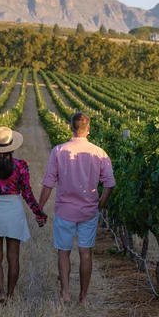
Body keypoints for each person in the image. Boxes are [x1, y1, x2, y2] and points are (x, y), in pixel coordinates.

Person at [38, 112, 115, 304]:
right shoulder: (99, 152)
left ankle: (65, 292)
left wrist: (39, 207)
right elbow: (110, 184)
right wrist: (100, 203)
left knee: (63, 252)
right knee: (85, 252)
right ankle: (83, 296)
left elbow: (48, 183)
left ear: (71, 127)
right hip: (89, 211)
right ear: (88, 129)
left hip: (65, 211)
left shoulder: (59, 151)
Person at [0, 126, 47, 302]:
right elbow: (27, 193)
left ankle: (0, 293)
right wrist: (39, 213)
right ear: (12, 147)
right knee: (13, 256)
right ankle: (11, 293)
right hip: (13, 209)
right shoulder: (20, 166)